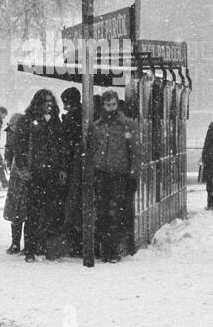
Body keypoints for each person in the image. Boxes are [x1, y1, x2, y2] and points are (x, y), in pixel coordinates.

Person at [88, 90, 141, 263]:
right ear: (102, 105)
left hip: (120, 174)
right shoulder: (97, 125)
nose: (110, 108)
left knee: (116, 212)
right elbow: (92, 148)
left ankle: (112, 249)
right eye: (107, 104)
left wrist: (133, 174)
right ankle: (106, 249)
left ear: (117, 104)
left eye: (113, 104)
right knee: (103, 212)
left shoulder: (127, 125)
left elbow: (135, 151)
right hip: (102, 173)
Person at [17, 89, 65, 262]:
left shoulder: (54, 122)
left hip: (50, 172)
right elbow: (20, 146)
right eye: (46, 101)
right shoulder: (28, 121)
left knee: (49, 211)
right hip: (35, 172)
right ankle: (31, 249)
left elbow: (61, 147)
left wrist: (60, 168)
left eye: (51, 101)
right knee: (33, 212)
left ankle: (43, 246)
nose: (49, 105)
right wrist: (23, 168)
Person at [59, 87, 84, 255]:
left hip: (73, 164)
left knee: (72, 202)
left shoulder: (73, 117)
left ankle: (75, 241)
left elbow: (66, 139)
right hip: (78, 162)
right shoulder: (83, 113)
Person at [1, 112, 28, 253]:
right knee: (21, 210)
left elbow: (10, 151)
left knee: (18, 210)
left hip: (19, 175)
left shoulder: (17, 136)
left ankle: (16, 243)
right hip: (21, 175)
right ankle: (19, 243)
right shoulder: (23, 135)